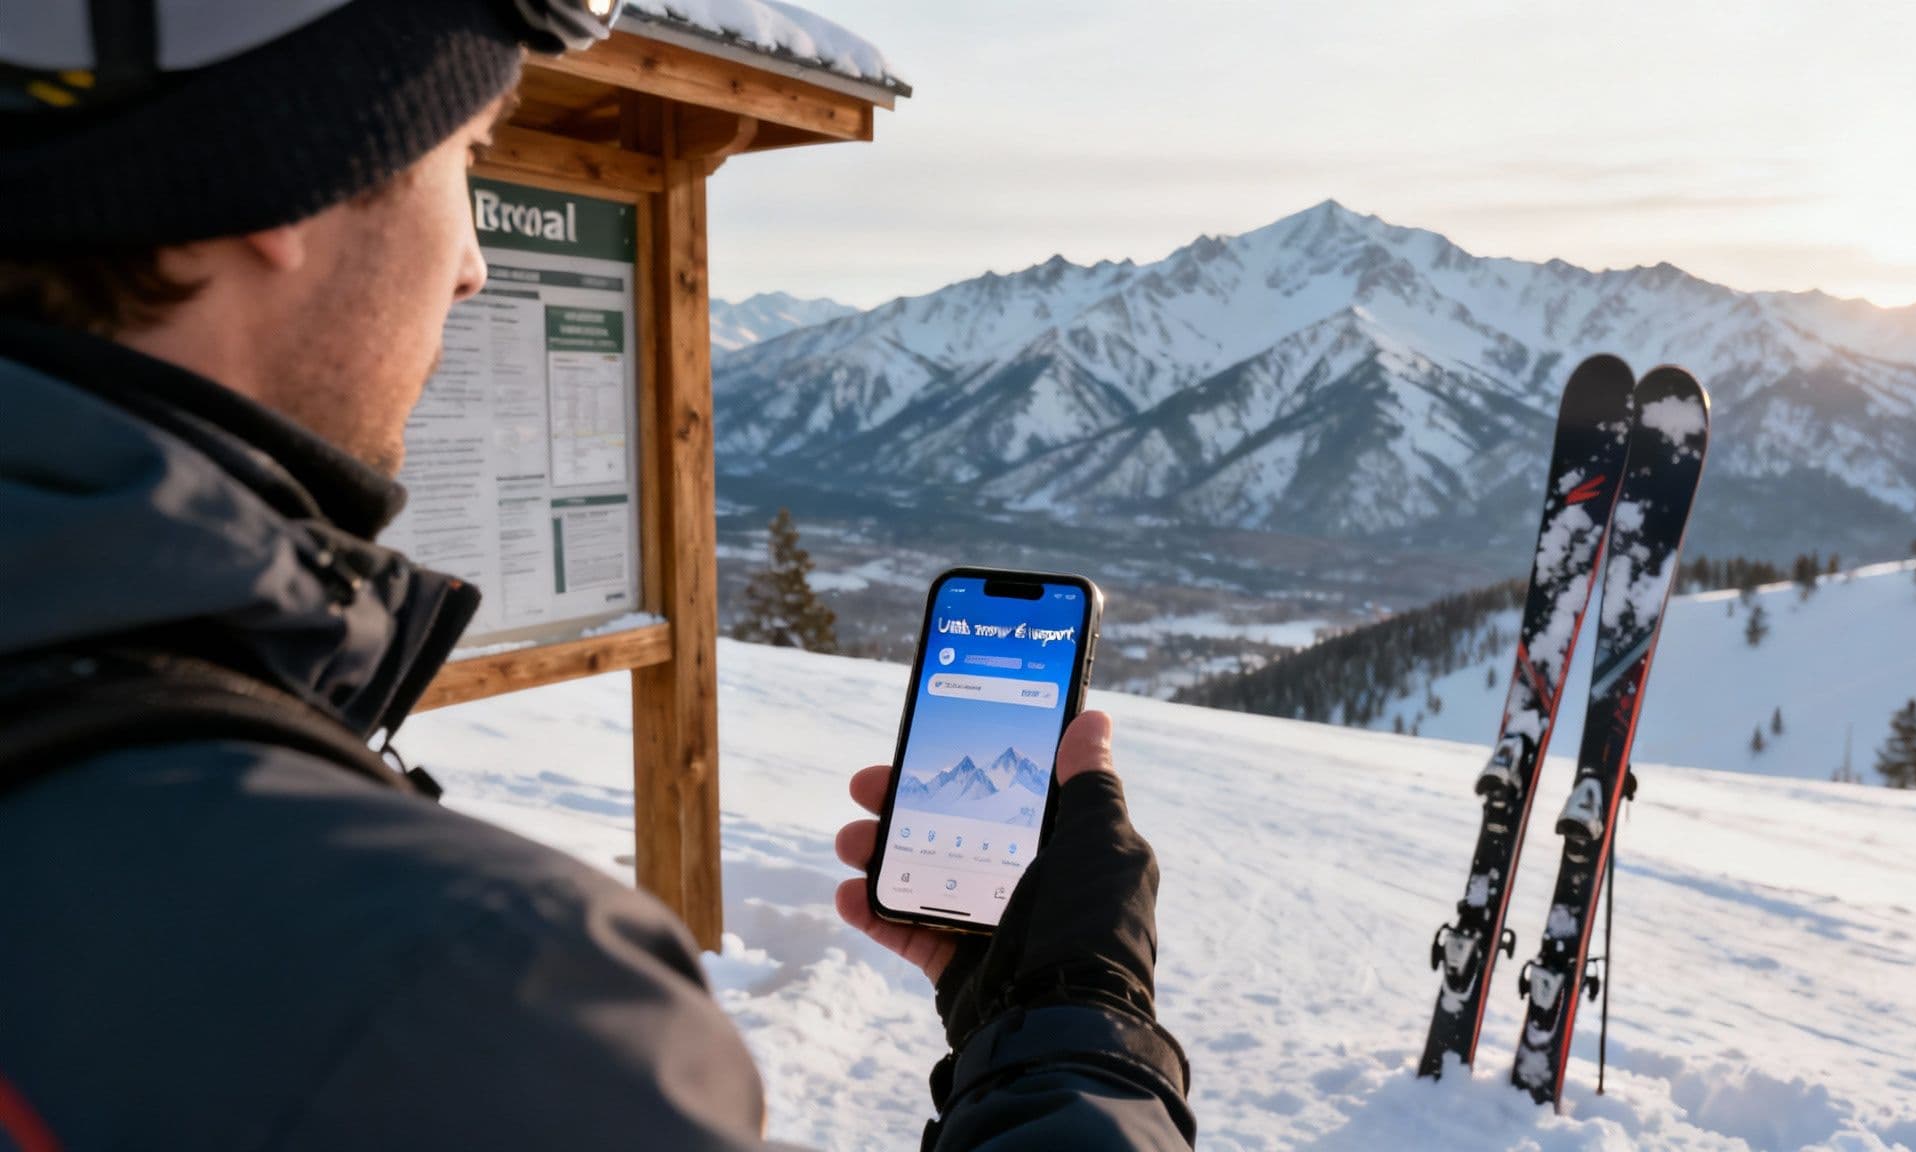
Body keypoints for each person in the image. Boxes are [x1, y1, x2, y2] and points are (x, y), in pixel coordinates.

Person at [0, 2, 1195, 1149]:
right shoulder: (448, 995)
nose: (469, 264)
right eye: (466, 153)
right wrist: (1071, 1017)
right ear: (282, 162)